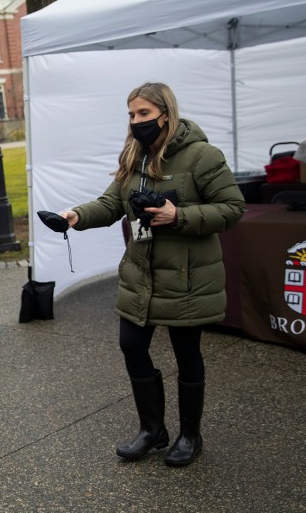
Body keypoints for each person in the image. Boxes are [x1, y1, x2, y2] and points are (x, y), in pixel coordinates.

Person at [59, 82, 244, 467]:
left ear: (166, 113)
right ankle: (152, 429)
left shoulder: (201, 156)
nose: (136, 122)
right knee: (132, 345)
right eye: (131, 115)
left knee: (187, 354)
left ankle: (190, 436)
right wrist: (76, 216)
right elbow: (112, 203)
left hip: (187, 277)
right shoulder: (135, 156)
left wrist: (180, 215)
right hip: (142, 273)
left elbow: (231, 208)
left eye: (143, 113)